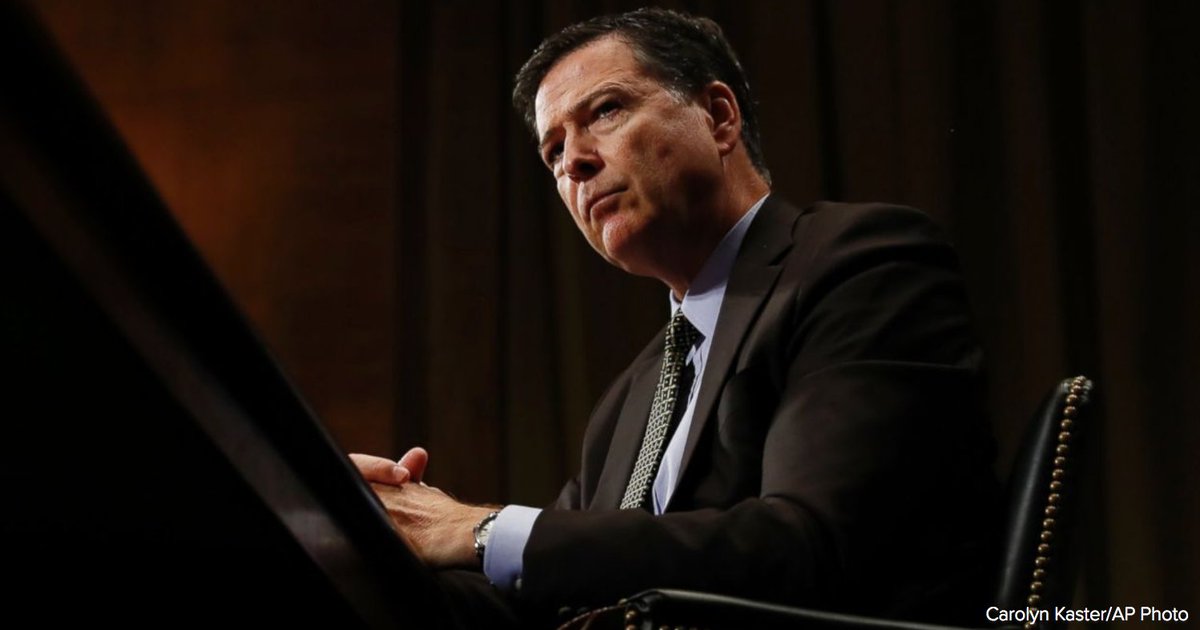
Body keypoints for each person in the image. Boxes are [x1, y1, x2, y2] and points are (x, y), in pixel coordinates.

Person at [352, 7, 1000, 628]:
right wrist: (354, 537)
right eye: (553, 151)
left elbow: (811, 547)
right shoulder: (631, 399)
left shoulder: (860, 266)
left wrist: (477, 528)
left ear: (718, 118)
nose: (574, 161)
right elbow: (548, 601)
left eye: (605, 111)